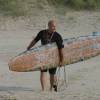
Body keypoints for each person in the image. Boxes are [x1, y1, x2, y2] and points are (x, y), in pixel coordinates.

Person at [27, 20, 64, 92]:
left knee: (52, 74)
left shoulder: (57, 36)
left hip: (53, 57)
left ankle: (51, 88)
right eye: (53, 26)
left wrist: (61, 60)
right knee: (43, 72)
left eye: (55, 26)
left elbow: (60, 49)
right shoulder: (42, 33)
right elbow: (35, 40)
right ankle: (43, 89)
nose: (54, 28)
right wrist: (29, 48)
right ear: (49, 26)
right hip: (43, 56)